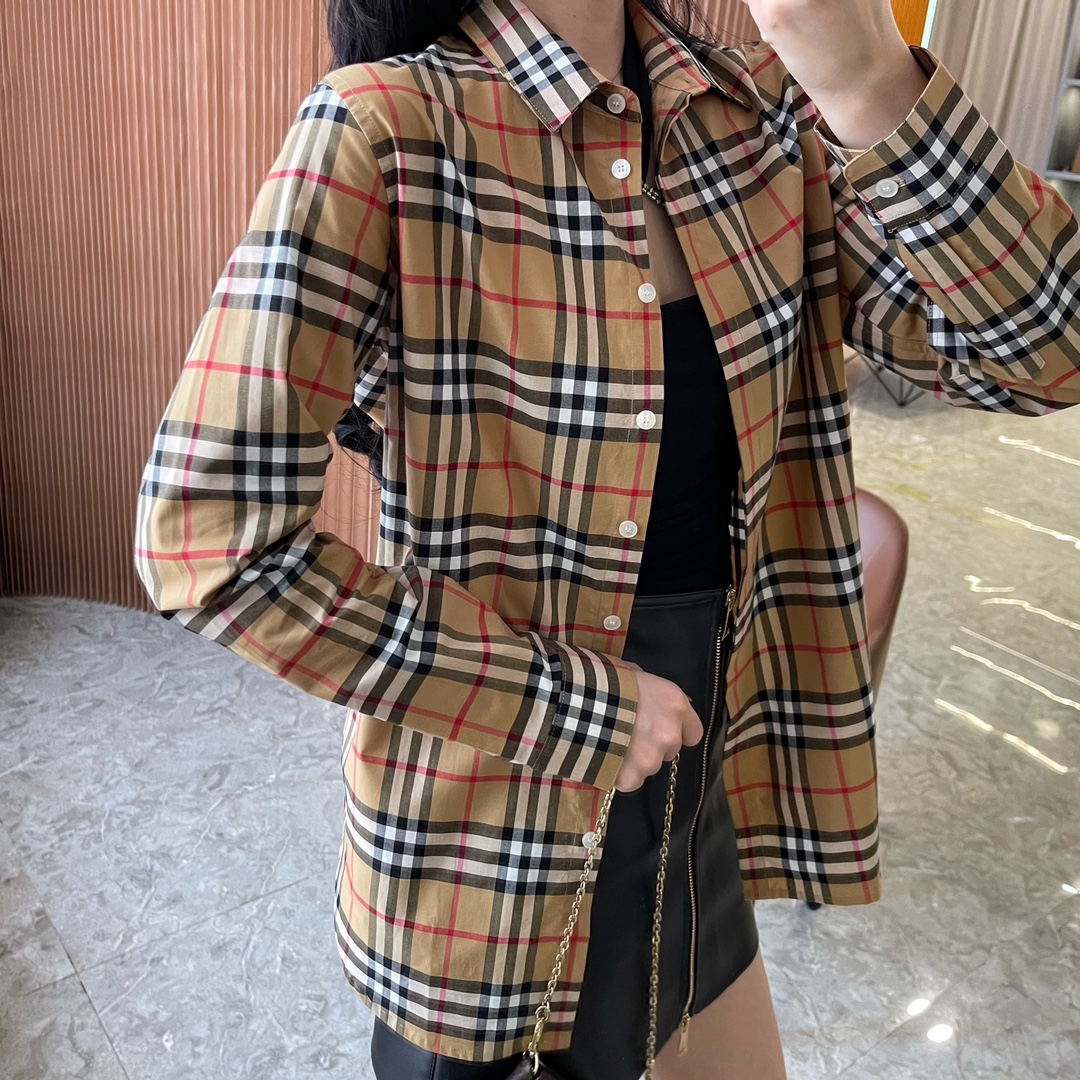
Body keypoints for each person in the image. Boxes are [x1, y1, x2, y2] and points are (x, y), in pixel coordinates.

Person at [132, 0, 1080, 1078]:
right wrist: (576, 709)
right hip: (497, 825)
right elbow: (210, 542)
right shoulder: (387, 128)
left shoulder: (754, 116)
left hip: (705, 775)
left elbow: (1047, 354)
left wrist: (869, 83)